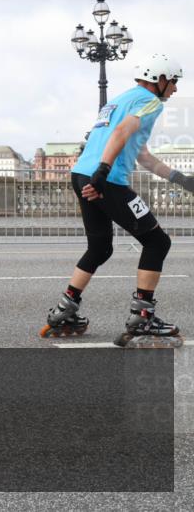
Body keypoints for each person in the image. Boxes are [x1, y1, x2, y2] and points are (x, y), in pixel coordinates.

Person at [42, 53, 191, 347]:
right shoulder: (149, 102)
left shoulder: (121, 100)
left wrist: (181, 179)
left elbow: (142, 155)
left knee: (99, 247)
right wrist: (103, 172)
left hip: (82, 174)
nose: (175, 89)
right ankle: (143, 317)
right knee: (158, 242)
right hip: (104, 179)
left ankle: (65, 310)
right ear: (159, 80)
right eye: (173, 82)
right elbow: (122, 132)